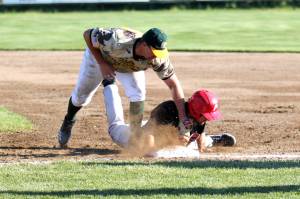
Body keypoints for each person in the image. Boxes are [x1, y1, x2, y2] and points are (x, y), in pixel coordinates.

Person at [57, 27, 191, 147]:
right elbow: (87, 34)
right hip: (100, 57)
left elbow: (174, 85)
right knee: (81, 97)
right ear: (144, 44)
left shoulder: (158, 59)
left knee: (138, 92)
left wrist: (183, 117)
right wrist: (102, 63)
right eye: (154, 51)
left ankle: (135, 135)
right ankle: (69, 120)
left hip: (128, 66)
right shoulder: (116, 39)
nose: (156, 56)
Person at [103, 80, 236, 153]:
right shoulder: (167, 110)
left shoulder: (199, 117)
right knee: (115, 128)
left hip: (170, 136)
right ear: (196, 111)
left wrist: (201, 148)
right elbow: (146, 141)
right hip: (140, 135)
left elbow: (199, 131)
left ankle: (211, 140)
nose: (208, 119)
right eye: (206, 116)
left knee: (191, 147)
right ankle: (109, 84)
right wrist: (171, 141)